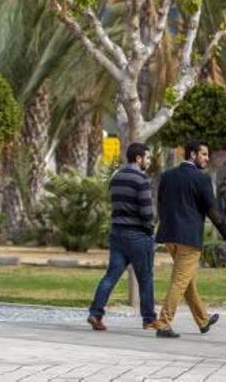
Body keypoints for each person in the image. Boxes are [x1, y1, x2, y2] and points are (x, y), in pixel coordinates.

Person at [155, 140, 226, 338]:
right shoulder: (201, 179)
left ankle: (203, 320)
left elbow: (161, 204)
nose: (207, 158)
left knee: (186, 280)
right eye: (204, 154)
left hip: (170, 236)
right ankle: (163, 323)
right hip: (188, 238)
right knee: (180, 281)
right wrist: (225, 231)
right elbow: (211, 209)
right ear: (192, 155)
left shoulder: (168, 175)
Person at [87, 142, 158, 332]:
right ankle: (149, 319)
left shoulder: (116, 177)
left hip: (117, 233)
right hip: (138, 235)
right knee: (146, 278)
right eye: (147, 158)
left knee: (111, 275)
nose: (148, 162)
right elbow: (146, 211)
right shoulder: (141, 179)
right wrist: (151, 229)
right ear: (138, 158)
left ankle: (96, 313)